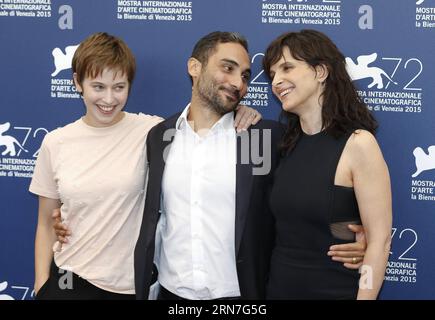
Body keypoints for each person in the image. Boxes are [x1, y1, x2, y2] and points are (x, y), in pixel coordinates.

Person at [132, 31, 367, 300]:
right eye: (227, 68)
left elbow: (309, 194)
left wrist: (354, 238)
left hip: (240, 296)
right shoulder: (160, 136)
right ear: (194, 67)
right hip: (170, 294)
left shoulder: (264, 137)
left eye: (244, 75)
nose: (238, 83)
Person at [30, 32, 260, 300]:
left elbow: (204, 122)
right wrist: (41, 285)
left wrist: (242, 112)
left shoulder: (154, 131)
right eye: (98, 86)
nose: (108, 99)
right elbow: (46, 223)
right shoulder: (55, 142)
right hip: (69, 281)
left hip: (130, 287)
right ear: (77, 83)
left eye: (119, 87)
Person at [262, 29, 392, 299]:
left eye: (287, 68)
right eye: (272, 74)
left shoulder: (359, 144)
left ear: (321, 72)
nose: (277, 81)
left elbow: (378, 243)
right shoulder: (284, 144)